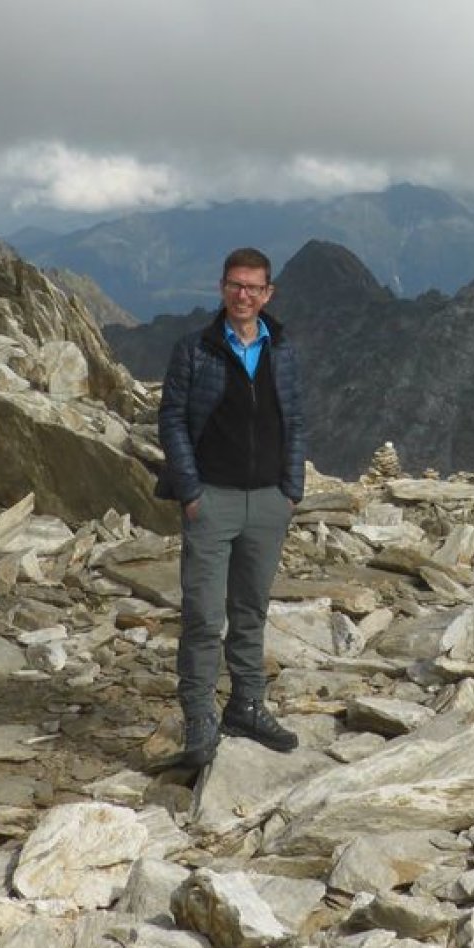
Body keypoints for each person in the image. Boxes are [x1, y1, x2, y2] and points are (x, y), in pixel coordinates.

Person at [156, 247, 308, 770]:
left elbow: (294, 420)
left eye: (253, 287)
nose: (243, 295)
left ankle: (246, 705)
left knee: (250, 611)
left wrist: (291, 490)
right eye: (235, 285)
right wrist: (191, 491)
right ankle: (200, 717)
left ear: (268, 294)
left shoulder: (282, 349)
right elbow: (172, 419)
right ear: (222, 287)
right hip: (212, 499)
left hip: (268, 501)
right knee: (203, 615)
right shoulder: (195, 350)